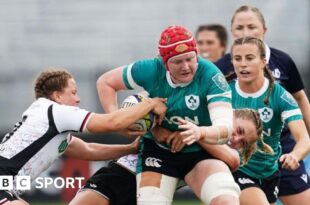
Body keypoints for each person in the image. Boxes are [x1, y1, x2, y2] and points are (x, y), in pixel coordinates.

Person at [96, 25, 241, 205]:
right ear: (164, 63)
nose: (186, 67)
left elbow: (225, 129)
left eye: (190, 58)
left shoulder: (211, 76)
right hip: (158, 152)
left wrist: (199, 133)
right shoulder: (150, 69)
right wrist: (117, 120)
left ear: (196, 54)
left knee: (227, 201)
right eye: (177, 62)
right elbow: (106, 82)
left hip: (200, 153)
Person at [0, 68, 167, 205]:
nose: (78, 99)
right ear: (57, 96)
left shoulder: (49, 124)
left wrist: (130, 148)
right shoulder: (55, 111)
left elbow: (89, 150)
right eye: (73, 92)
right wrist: (150, 103)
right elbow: (109, 123)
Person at [69, 108, 265, 205]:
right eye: (238, 130)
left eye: (244, 142)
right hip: (120, 175)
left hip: (148, 192)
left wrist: (196, 134)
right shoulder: (193, 113)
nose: (236, 139)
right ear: (227, 115)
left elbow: (234, 160)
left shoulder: (216, 149)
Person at [215, 5, 310, 205]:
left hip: (273, 165)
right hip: (238, 166)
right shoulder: (222, 89)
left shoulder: (280, 95)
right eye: (237, 59)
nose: (243, 64)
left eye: (249, 58)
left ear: (264, 61)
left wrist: (295, 155)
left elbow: (304, 138)